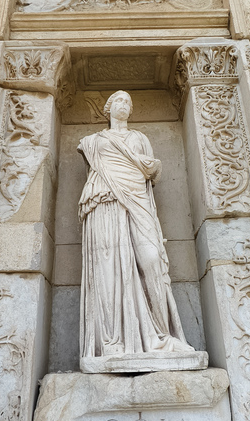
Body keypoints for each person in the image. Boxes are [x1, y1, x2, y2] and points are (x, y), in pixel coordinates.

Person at [77, 90, 195, 363]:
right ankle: (112, 342)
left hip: (138, 201)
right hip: (104, 200)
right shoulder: (93, 141)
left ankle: (162, 336)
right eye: (118, 100)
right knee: (108, 269)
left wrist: (151, 167)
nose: (124, 104)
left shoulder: (141, 138)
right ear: (108, 108)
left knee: (152, 260)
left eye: (128, 102)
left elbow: (149, 174)